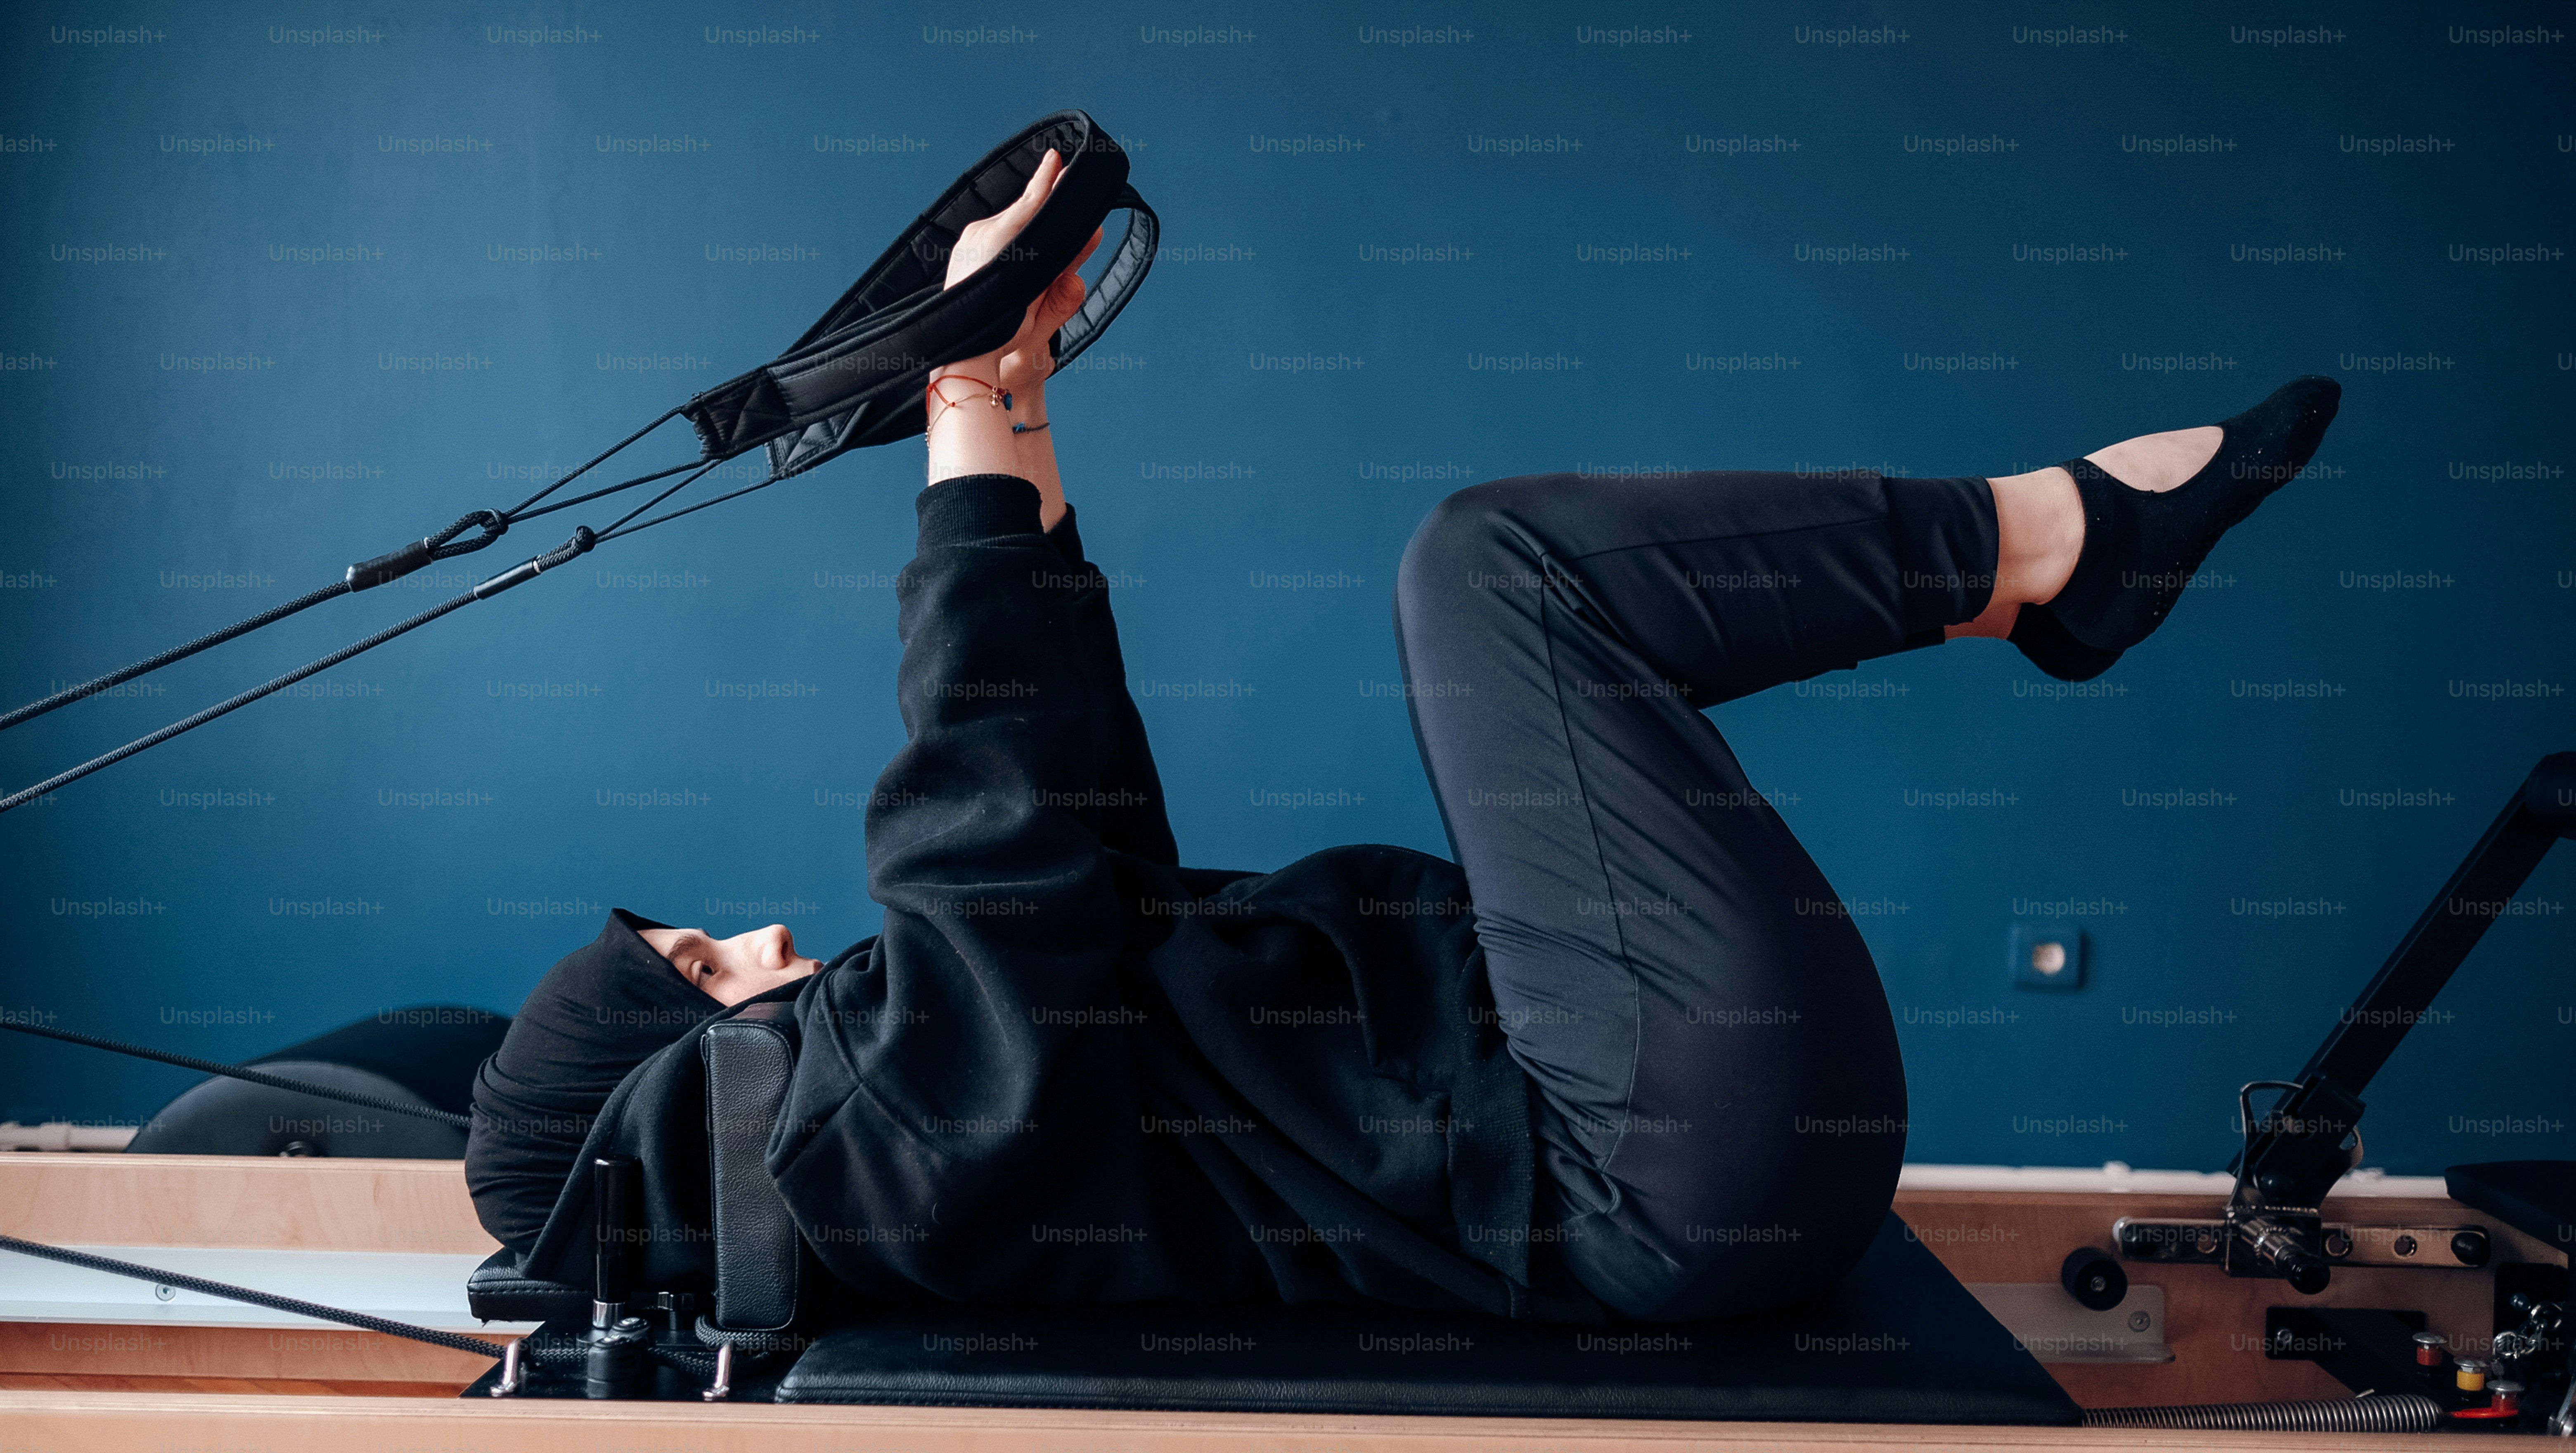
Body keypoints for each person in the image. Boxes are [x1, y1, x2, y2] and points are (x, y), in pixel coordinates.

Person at [466, 150, 2341, 1324]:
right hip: (1653, 1155)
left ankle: (2047, 568)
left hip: (1675, 1129)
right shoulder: (819, 1134)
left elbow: (1075, 843)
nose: (772, 947)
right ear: (659, 1094)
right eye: (711, 965)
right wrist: (951, 388)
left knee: (1489, 578)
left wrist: (1012, 392)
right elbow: (1000, 840)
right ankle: (2054, 549)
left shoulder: (913, 1103)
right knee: (1494, 570)